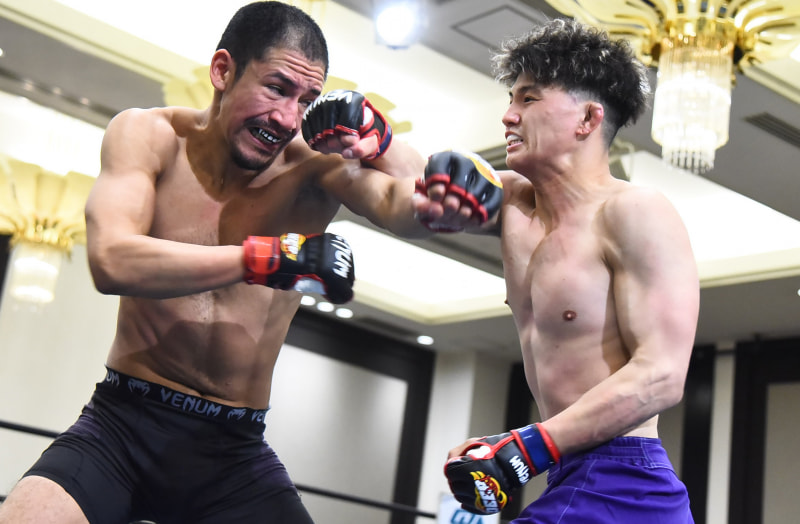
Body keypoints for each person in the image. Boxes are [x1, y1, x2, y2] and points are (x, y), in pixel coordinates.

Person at [0, 2, 432, 523]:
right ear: (223, 70)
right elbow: (111, 260)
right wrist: (267, 257)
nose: (287, 119)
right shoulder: (149, 135)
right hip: (120, 426)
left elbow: (408, 205)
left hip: (233, 454)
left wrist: (382, 137)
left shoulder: (314, 165)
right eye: (276, 88)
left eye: (306, 100)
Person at [413, 18, 699, 522]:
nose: (508, 115)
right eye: (511, 99)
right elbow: (402, 186)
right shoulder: (512, 204)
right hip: (572, 474)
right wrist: (370, 136)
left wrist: (528, 447)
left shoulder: (635, 211)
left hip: (624, 485)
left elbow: (661, 376)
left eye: (529, 99)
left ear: (587, 118)